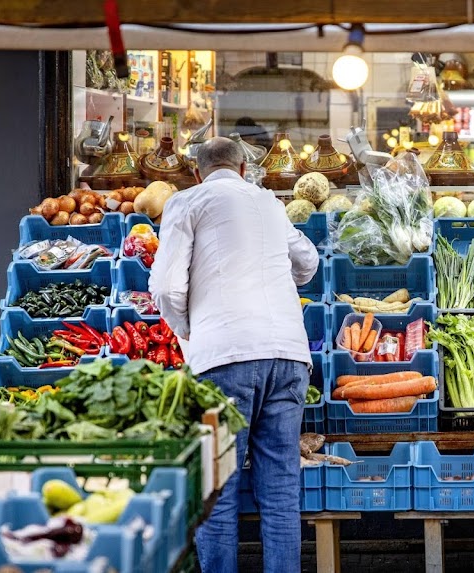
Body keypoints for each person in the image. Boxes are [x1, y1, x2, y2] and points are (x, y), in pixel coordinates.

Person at [150, 136, 319, 573]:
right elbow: (308, 263)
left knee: (219, 491)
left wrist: (189, 331)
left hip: (223, 359)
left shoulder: (187, 203)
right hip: (288, 355)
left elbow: (167, 287)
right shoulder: (268, 203)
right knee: (281, 488)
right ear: (244, 169)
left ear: (196, 172)